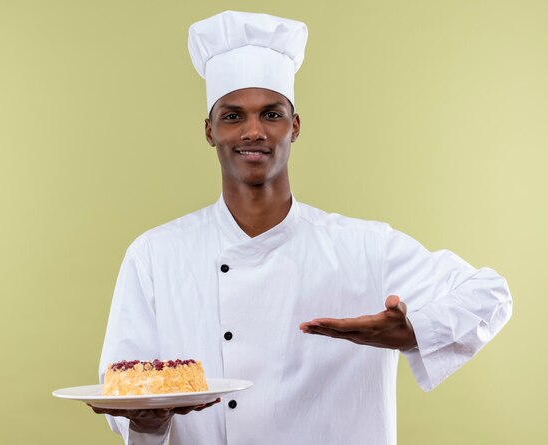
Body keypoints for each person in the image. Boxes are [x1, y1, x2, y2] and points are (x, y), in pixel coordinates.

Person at [91, 10, 512, 445]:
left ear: (294, 126)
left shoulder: (365, 248)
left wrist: (415, 330)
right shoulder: (156, 254)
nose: (253, 131)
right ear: (209, 130)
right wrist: (147, 419)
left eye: (271, 115)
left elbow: (492, 295)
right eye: (233, 116)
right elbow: (124, 392)